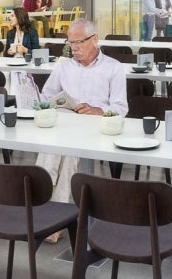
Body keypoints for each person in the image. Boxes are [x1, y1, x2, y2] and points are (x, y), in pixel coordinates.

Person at [34, 18, 127, 241]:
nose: (73, 48)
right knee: (58, 149)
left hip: (96, 128)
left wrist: (98, 110)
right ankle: (51, 216)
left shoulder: (113, 67)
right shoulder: (64, 66)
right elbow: (46, 96)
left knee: (65, 153)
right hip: (66, 123)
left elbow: (121, 108)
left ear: (95, 39)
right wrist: (49, 103)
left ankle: (45, 215)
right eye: (70, 43)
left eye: (79, 42)